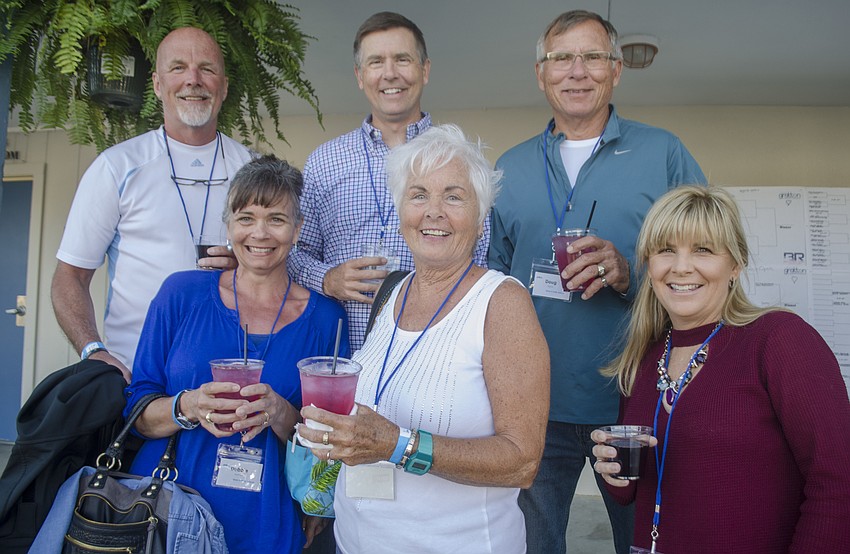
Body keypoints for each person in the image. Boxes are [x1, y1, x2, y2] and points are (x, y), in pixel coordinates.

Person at [488, 10, 707, 554]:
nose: (576, 71)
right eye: (561, 58)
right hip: (535, 401)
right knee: (533, 546)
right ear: (541, 74)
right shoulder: (508, 169)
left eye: (592, 57)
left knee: (645, 543)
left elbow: (710, 258)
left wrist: (630, 271)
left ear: (616, 70)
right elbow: (491, 285)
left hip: (637, 397)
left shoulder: (664, 153)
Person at [298, 124, 550, 553]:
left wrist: (397, 445)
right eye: (419, 195)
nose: (434, 211)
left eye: (453, 196)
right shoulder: (392, 292)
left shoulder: (501, 302)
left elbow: (522, 461)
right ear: (401, 211)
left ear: (480, 214)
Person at [591, 185, 850, 553]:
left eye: (703, 249)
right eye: (666, 250)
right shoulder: (644, 358)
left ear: (735, 264)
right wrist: (614, 472)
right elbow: (635, 492)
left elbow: (838, 482)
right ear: (649, 267)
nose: (681, 266)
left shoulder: (780, 340)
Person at [123, 155, 350, 553]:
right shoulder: (181, 295)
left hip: (266, 513)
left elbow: (331, 437)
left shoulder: (326, 320)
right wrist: (188, 405)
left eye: (276, 219)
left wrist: (281, 413)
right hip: (165, 504)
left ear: (297, 230)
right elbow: (136, 411)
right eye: (246, 217)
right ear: (228, 226)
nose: (260, 233)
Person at [52, 27, 254, 381]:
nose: (193, 80)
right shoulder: (117, 167)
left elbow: (286, 271)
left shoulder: (253, 170)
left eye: (206, 68)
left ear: (223, 85)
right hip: (135, 377)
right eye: (178, 68)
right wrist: (93, 350)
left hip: (230, 376)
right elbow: (70, 276)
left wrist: (253, 266)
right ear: (158, 85)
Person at [288, 12, 489, 352]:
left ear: (424, 70)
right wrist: (327, 278)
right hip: (340, 356)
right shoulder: (324, 161)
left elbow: (481, 257)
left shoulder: (459, 159)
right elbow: (294, 253)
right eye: (376, 61)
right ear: (359, 75)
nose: (390, 73)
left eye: (402, 59)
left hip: (433, 351)